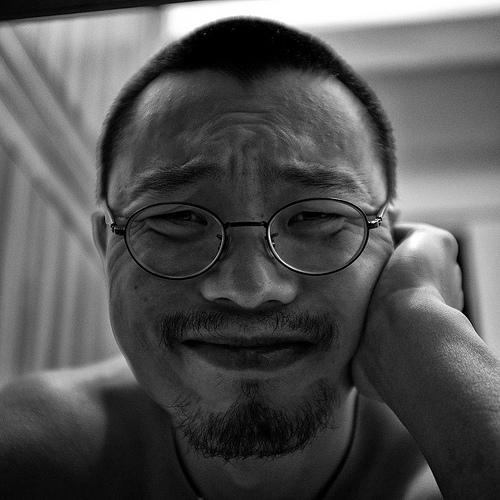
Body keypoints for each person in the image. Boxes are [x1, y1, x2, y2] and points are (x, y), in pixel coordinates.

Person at [1, 16, 500, 500]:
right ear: (106, 244)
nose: (250, 288)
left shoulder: (451, 463)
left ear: (391, 242)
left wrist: (419, 314)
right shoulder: (32, 459)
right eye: (178, 218)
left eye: (315, 217)